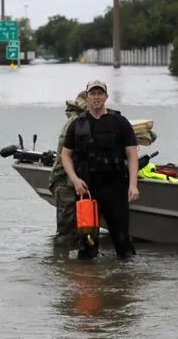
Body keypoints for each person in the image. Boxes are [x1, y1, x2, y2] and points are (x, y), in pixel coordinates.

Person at [61, 80, 139, 260]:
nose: (96, 97)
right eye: (93, 94)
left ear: (106, 97)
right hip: (87, 190)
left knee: (123, 242)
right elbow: (65, 156)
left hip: (116, 188)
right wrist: (74, 180)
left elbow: (132, 155)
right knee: (87, 242)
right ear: (87, 97)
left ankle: (125, 282)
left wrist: (133, 185)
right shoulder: (77, 124)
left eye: (100, 93)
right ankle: (88, 283)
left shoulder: (120, 122)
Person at [48, 91, 87, 247]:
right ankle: (62, 265)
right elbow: (66, 155)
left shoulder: (83, 121)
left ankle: (69, 266)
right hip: (64, 181)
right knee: (66, 231)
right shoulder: (74, 122)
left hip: (74, 181)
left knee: (79, 229)